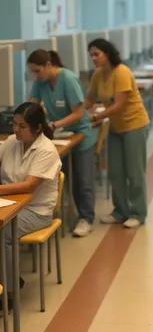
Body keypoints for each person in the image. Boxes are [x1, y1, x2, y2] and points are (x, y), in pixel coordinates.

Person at [27, 49, 96, 238]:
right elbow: (31, 105)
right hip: (59, 136)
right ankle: (61, 215)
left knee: (82, 181)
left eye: (37, 71)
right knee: (60, 180)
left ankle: (86, 218)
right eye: (32, 72)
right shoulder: (40, 83)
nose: (35, 75)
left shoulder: (69, 79)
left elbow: (78, 113)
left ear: (49, 65)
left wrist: (53, 125)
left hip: (80, 134)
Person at [0, 103, 61, 306]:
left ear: (37, 128)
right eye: (14, 124)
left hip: (36, 210)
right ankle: (7, 278)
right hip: (10, 204)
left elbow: (29, 186)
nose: (15, 129)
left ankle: (9, 293)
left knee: (5, 234)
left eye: (22, 126)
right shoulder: (11, 142)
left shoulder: (46, 150)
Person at [85, 38, 149, 229]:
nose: (93, 58)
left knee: (134, 172)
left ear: (108, 53)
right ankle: (120, 211)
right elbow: (89, 100)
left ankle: (138, 213)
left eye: (97, 54)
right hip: (116, 128)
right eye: (91, 55)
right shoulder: (98, 75)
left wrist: (96, 117)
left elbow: (119, 104)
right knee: (115, 172)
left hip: (134, 125)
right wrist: (78, 112)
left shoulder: (121, 72)